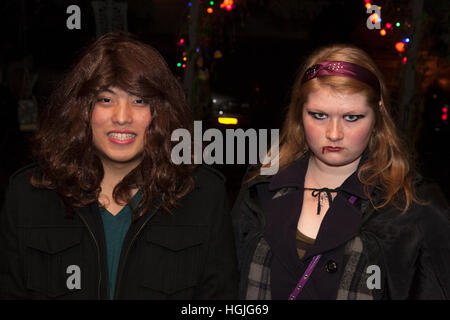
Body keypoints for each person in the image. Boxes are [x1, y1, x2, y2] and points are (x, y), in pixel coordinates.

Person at [0, 33, 238, 300]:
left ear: (159, 112)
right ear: (82, 109)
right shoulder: (28, 196)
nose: (122, 117)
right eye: (106, 99)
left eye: (139, 101)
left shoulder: (202, 197)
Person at [231, 44, 450, 300]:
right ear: (299, 113)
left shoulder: (413, 207)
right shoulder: (259, 192)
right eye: (319, 115)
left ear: (377, 114)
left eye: (352, 117)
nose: (334, 133)